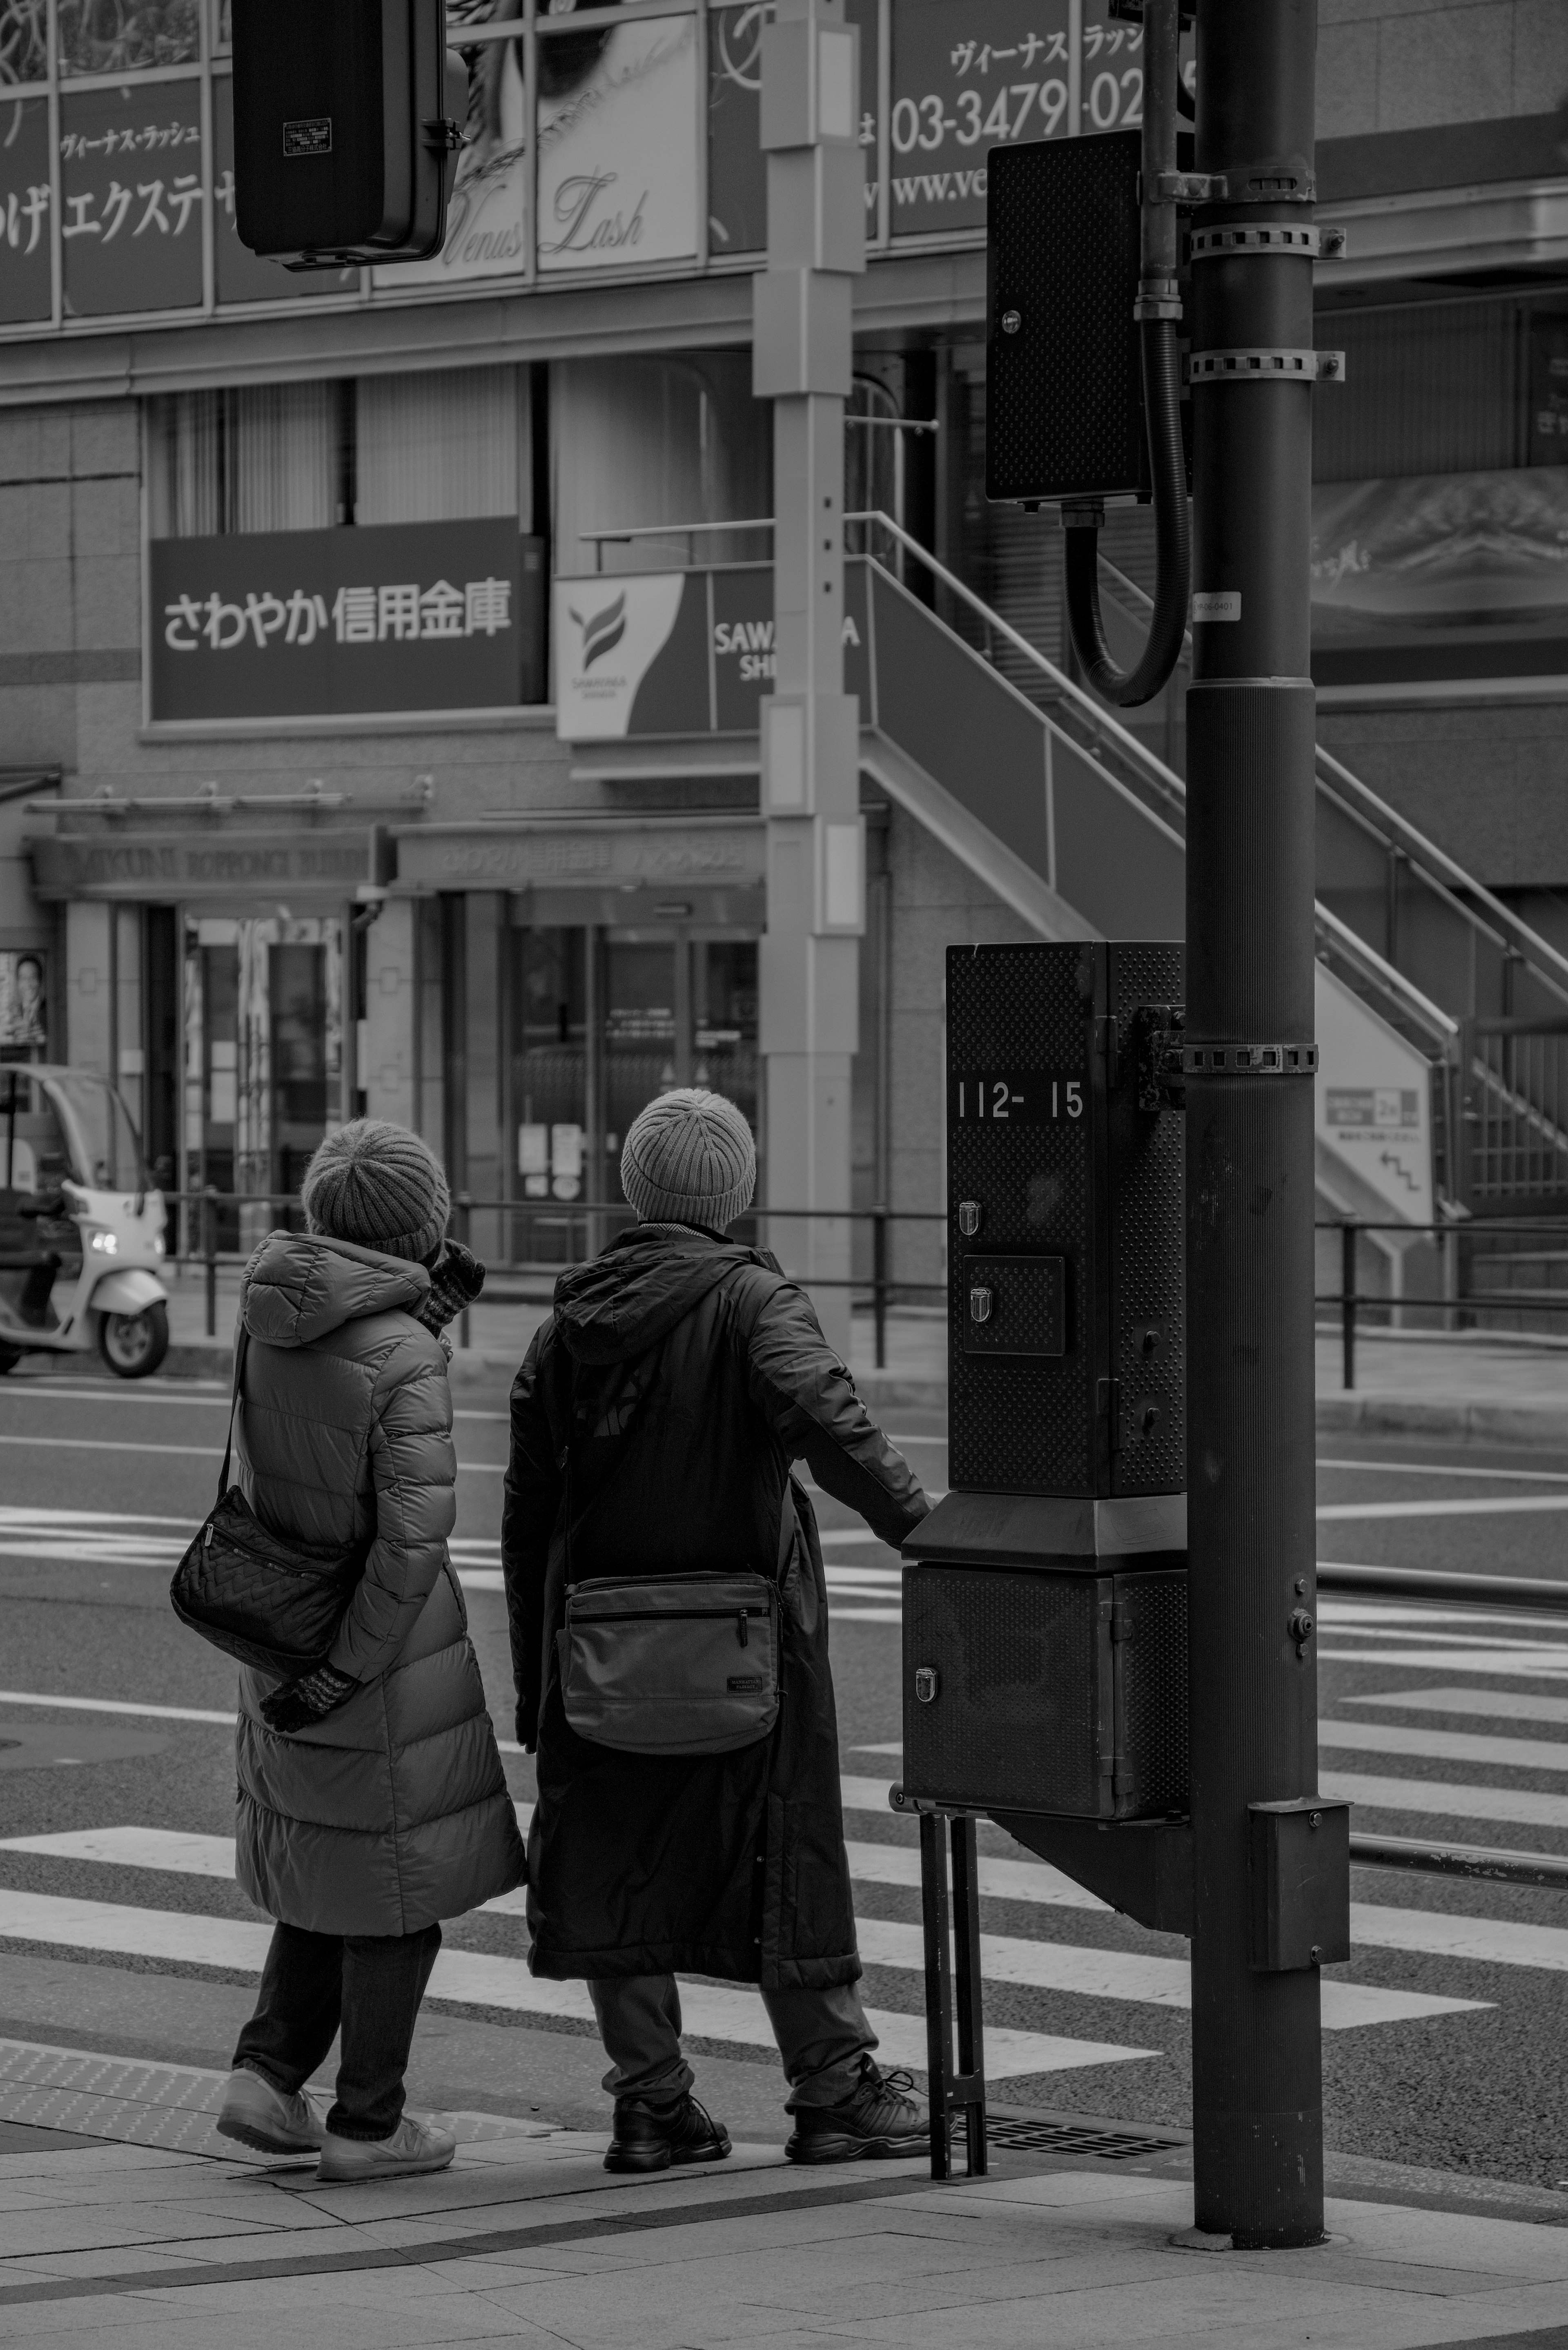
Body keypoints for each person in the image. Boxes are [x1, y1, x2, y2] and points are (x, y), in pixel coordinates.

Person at [502, 1087, 931, 2173]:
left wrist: (533, 1682)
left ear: (636, 1189)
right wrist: (928, 1529)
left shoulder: (569, 1327)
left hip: (596, 1646)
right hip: (746, 1637)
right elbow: (833, 1424)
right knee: (782, 1840)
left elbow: (524, 1519)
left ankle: (653, 2104)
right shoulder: (753, 1301)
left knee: (613, 1856)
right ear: (733, 1192)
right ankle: (833, 2087)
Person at [215, 1119, 525, 2181]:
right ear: (426, 1222)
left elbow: (336, 1385)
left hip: (279, 1631)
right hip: (375, 1660)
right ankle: (368, 2121)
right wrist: (354, 1666)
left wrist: (420, 1311)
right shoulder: (408, 1356)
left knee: (324, 1872)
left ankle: (265, 2072)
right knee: (398, 1894)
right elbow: (407, 1544)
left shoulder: (271, 1316)